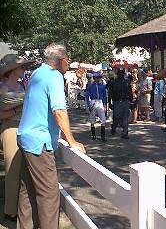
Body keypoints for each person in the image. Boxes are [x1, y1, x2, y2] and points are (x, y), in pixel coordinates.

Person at [16, 43, 86, 229]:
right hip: (39, 142)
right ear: (61, 60)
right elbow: (59, 111)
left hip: (25, 137)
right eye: (68, 59)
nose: (69, 62)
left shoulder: (37, 73)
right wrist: (71, 140)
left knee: (27, 192)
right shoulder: (55, 76)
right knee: (49, 194)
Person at [0, 54, 35, 221]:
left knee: (22, 172)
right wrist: (19, 108)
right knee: (12, 172)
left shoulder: (21, 86)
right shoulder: (2, 88)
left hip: (21, 128)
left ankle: (19, 208)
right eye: (21, 67)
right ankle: (10, 211)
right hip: (10, 129)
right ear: (12, 69)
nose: (24, 69)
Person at [109, 68, 130, 139]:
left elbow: (130, 92)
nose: (121, 75)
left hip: (125, 101)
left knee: (125, 118)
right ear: (117, 74)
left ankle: (125, 133)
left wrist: (130, 101)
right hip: (117, 101)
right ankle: (114, 127)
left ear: (124, 74)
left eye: (122, 73)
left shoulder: (127, 82)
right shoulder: (113, 82)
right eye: (120, 73)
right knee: (117, 117)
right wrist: (109, 103)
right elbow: (110, 93)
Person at [86, 72, 107, 141]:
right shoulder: (90, 86)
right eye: (96, 78)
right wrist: (89, 105)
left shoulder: (102, 86)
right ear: (94, 78)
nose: (97, 79)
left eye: (98, 77)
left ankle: (103, 136)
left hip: (100, 102)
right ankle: (93, 135)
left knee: (103, 119)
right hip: (93, 101)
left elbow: (104, 96)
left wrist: (105, 105)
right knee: (92, 119)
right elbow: (87, 96)